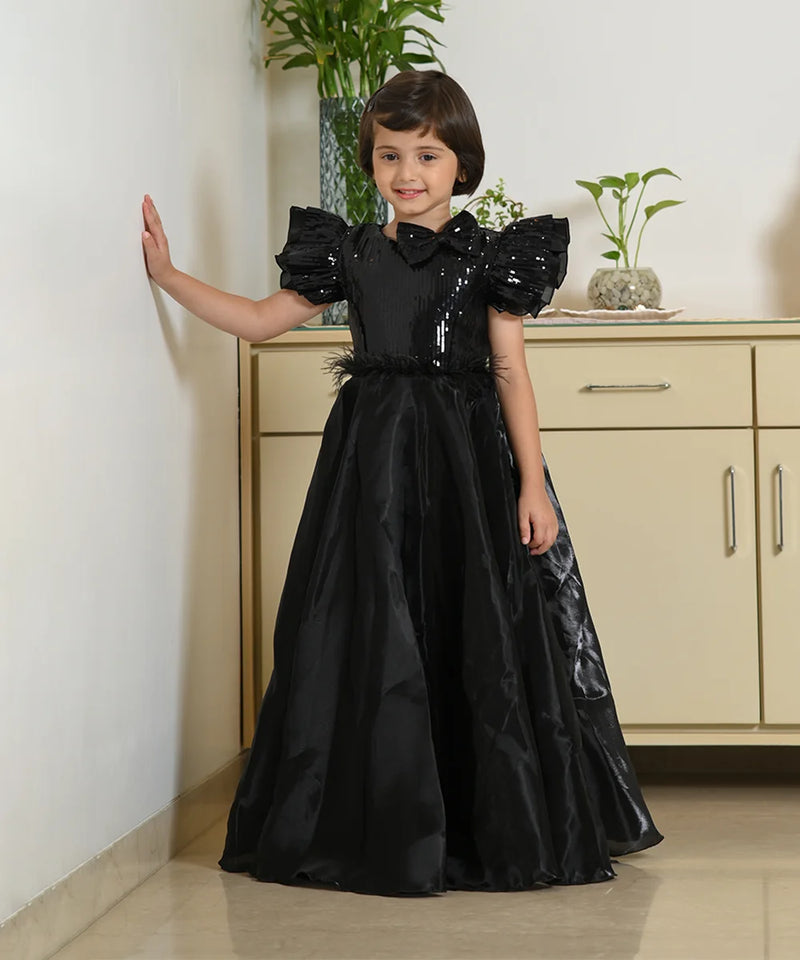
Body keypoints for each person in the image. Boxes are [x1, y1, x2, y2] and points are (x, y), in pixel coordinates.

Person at [141, 69, 662, 896]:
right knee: (368, 620)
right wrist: (170, 279)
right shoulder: (348, 253)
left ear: (463, 164)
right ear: (370, 163)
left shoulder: (494, 257)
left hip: (468, 466)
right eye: (390, 155)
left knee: (474, 630)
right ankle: (375, 814)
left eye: (427, 154)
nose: (408, 173)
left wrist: (532, 486)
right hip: (370, 468)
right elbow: (254, 320)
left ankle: (480, 820)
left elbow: (511, 373)